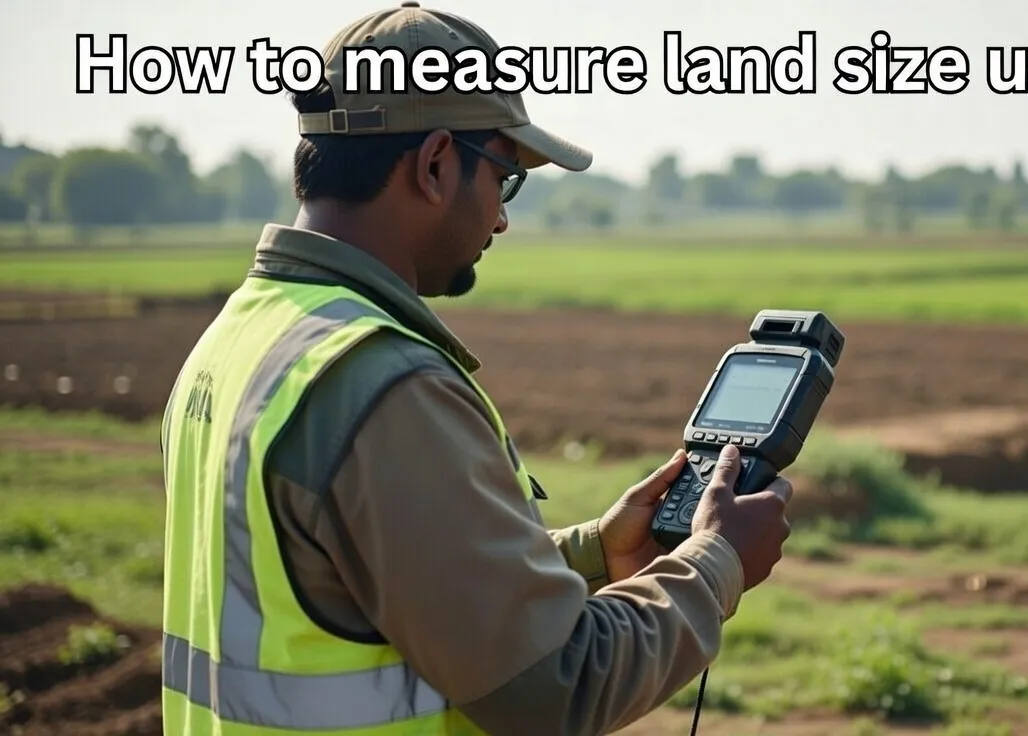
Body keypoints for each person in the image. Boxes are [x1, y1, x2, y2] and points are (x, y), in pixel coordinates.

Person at [157, 3, 794, 735]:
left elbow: (361, 583)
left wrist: (593, 553)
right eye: (505, 178)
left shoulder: (243, 336)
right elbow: (556, 687)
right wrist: (715, 565)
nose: (500, 219)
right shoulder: (383, 388)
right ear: (434, 165)